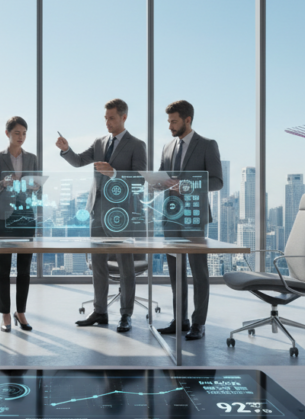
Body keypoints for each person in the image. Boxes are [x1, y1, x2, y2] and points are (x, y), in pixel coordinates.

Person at [56, 98, 148, 333]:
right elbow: (78, 161)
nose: (107, 122)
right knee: (98, 264)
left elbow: (140, 179)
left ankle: (126, 315)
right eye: (105, 118)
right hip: (97, 211)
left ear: (124, 117)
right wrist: (66, 150)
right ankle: (100, 311)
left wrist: (114, 172)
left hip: (121, 214)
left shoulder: (137, 145)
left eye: (112, 118)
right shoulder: (99, 142)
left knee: (126, 266)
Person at [155, 100, 223, 340]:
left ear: (187, 120)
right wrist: (156, 181)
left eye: (174, 121)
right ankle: (180, 320)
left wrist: (187, 185)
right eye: (169, 121)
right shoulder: (167, 147)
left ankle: (198, 324)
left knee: (198, 272)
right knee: (175, 271)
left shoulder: (207, 145)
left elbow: (217, 181)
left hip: (194, 217)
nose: (170, 126)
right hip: (170, 216)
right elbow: (161, 178)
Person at [0, 116, 39, 332]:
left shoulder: (32, 158)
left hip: (26, 216)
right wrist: (3, 182)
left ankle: (21, 312)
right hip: (4, 219)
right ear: (8, 133)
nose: (21, 137)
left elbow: (38, 186)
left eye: (24, 133)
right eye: (17, 133)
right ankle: (6, 315)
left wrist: (35, 187)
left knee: (24, 269)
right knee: (3, 269)